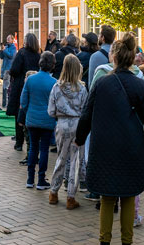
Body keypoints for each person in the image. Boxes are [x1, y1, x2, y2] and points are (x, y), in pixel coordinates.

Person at [76, 33, 144, 245]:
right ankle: (127, 241)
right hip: (132, 146)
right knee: (129, 196)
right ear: (132, 58)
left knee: (107, 197)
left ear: (114, 57)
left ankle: (104, 240)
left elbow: (87, 114)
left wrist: (79, 138)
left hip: (104, 147)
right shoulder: (140, 85)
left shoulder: (101, 83)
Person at [48, 54, 88, 209]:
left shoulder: (56, 87)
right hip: (78, 125)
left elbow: (51, 111)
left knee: (61, 158)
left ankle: (53, 192)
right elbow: (85, 110)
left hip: (62, 124)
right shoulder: (82, 89)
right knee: (76, 161)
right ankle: (71, 196)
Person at [21, 51, 57, 190]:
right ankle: (41, 179)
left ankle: (30, 179)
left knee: (33, 148)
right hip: (47, 120)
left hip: (32, 119)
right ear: (52, 64)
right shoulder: (54, 83)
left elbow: (23, 101)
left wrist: (29, 112)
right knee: (44, 149)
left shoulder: (30, 79)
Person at [6, 33, 42, 151]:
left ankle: (19, 142)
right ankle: (31, 142)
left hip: (21, 85)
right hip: (35, 86)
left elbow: (15, 69)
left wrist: (12, 73)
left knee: (19, 113)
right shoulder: (38, 55)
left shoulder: (22, 53)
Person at [0, 35, 17, 108]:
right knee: (5, 86)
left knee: (6, 87)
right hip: (4, 69)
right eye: (7, 38)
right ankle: (4, 103)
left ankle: (7, 103)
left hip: (9, 69)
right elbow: (1, 57)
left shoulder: (13, 48)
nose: (7, 39)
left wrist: (4, 50)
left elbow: (11, 56)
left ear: (12, 40)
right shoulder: (6, 47)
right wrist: (1, 51)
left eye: (9, 38)